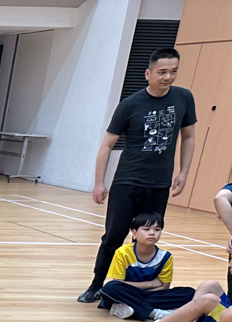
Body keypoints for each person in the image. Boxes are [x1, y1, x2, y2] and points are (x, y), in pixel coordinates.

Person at [79, 47, 196, 303]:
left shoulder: (184, 98)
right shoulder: (129, 104)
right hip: (127, 181)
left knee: (147, 237)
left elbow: (188, 137)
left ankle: (137, 289)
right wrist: (99, 183)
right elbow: (107, 145)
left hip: (159, 183)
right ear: (148, 74)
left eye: (173, 71)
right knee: (113, 236)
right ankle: (97, 284)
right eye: (162, 72)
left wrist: (183, 172)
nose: (168, 77)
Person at [97, 212, 195, 320]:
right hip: (128, 292)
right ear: (134, 233)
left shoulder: (165, 256)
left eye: (157, 229)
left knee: (190, 293)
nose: (152, 233)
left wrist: (141, 294)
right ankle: (153, 313)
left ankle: (130, 307)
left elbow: (164, 286)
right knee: (110, 288)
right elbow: (118, 283)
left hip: (150, 294)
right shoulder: (122, 253)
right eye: (146, 229)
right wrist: (151, 283)